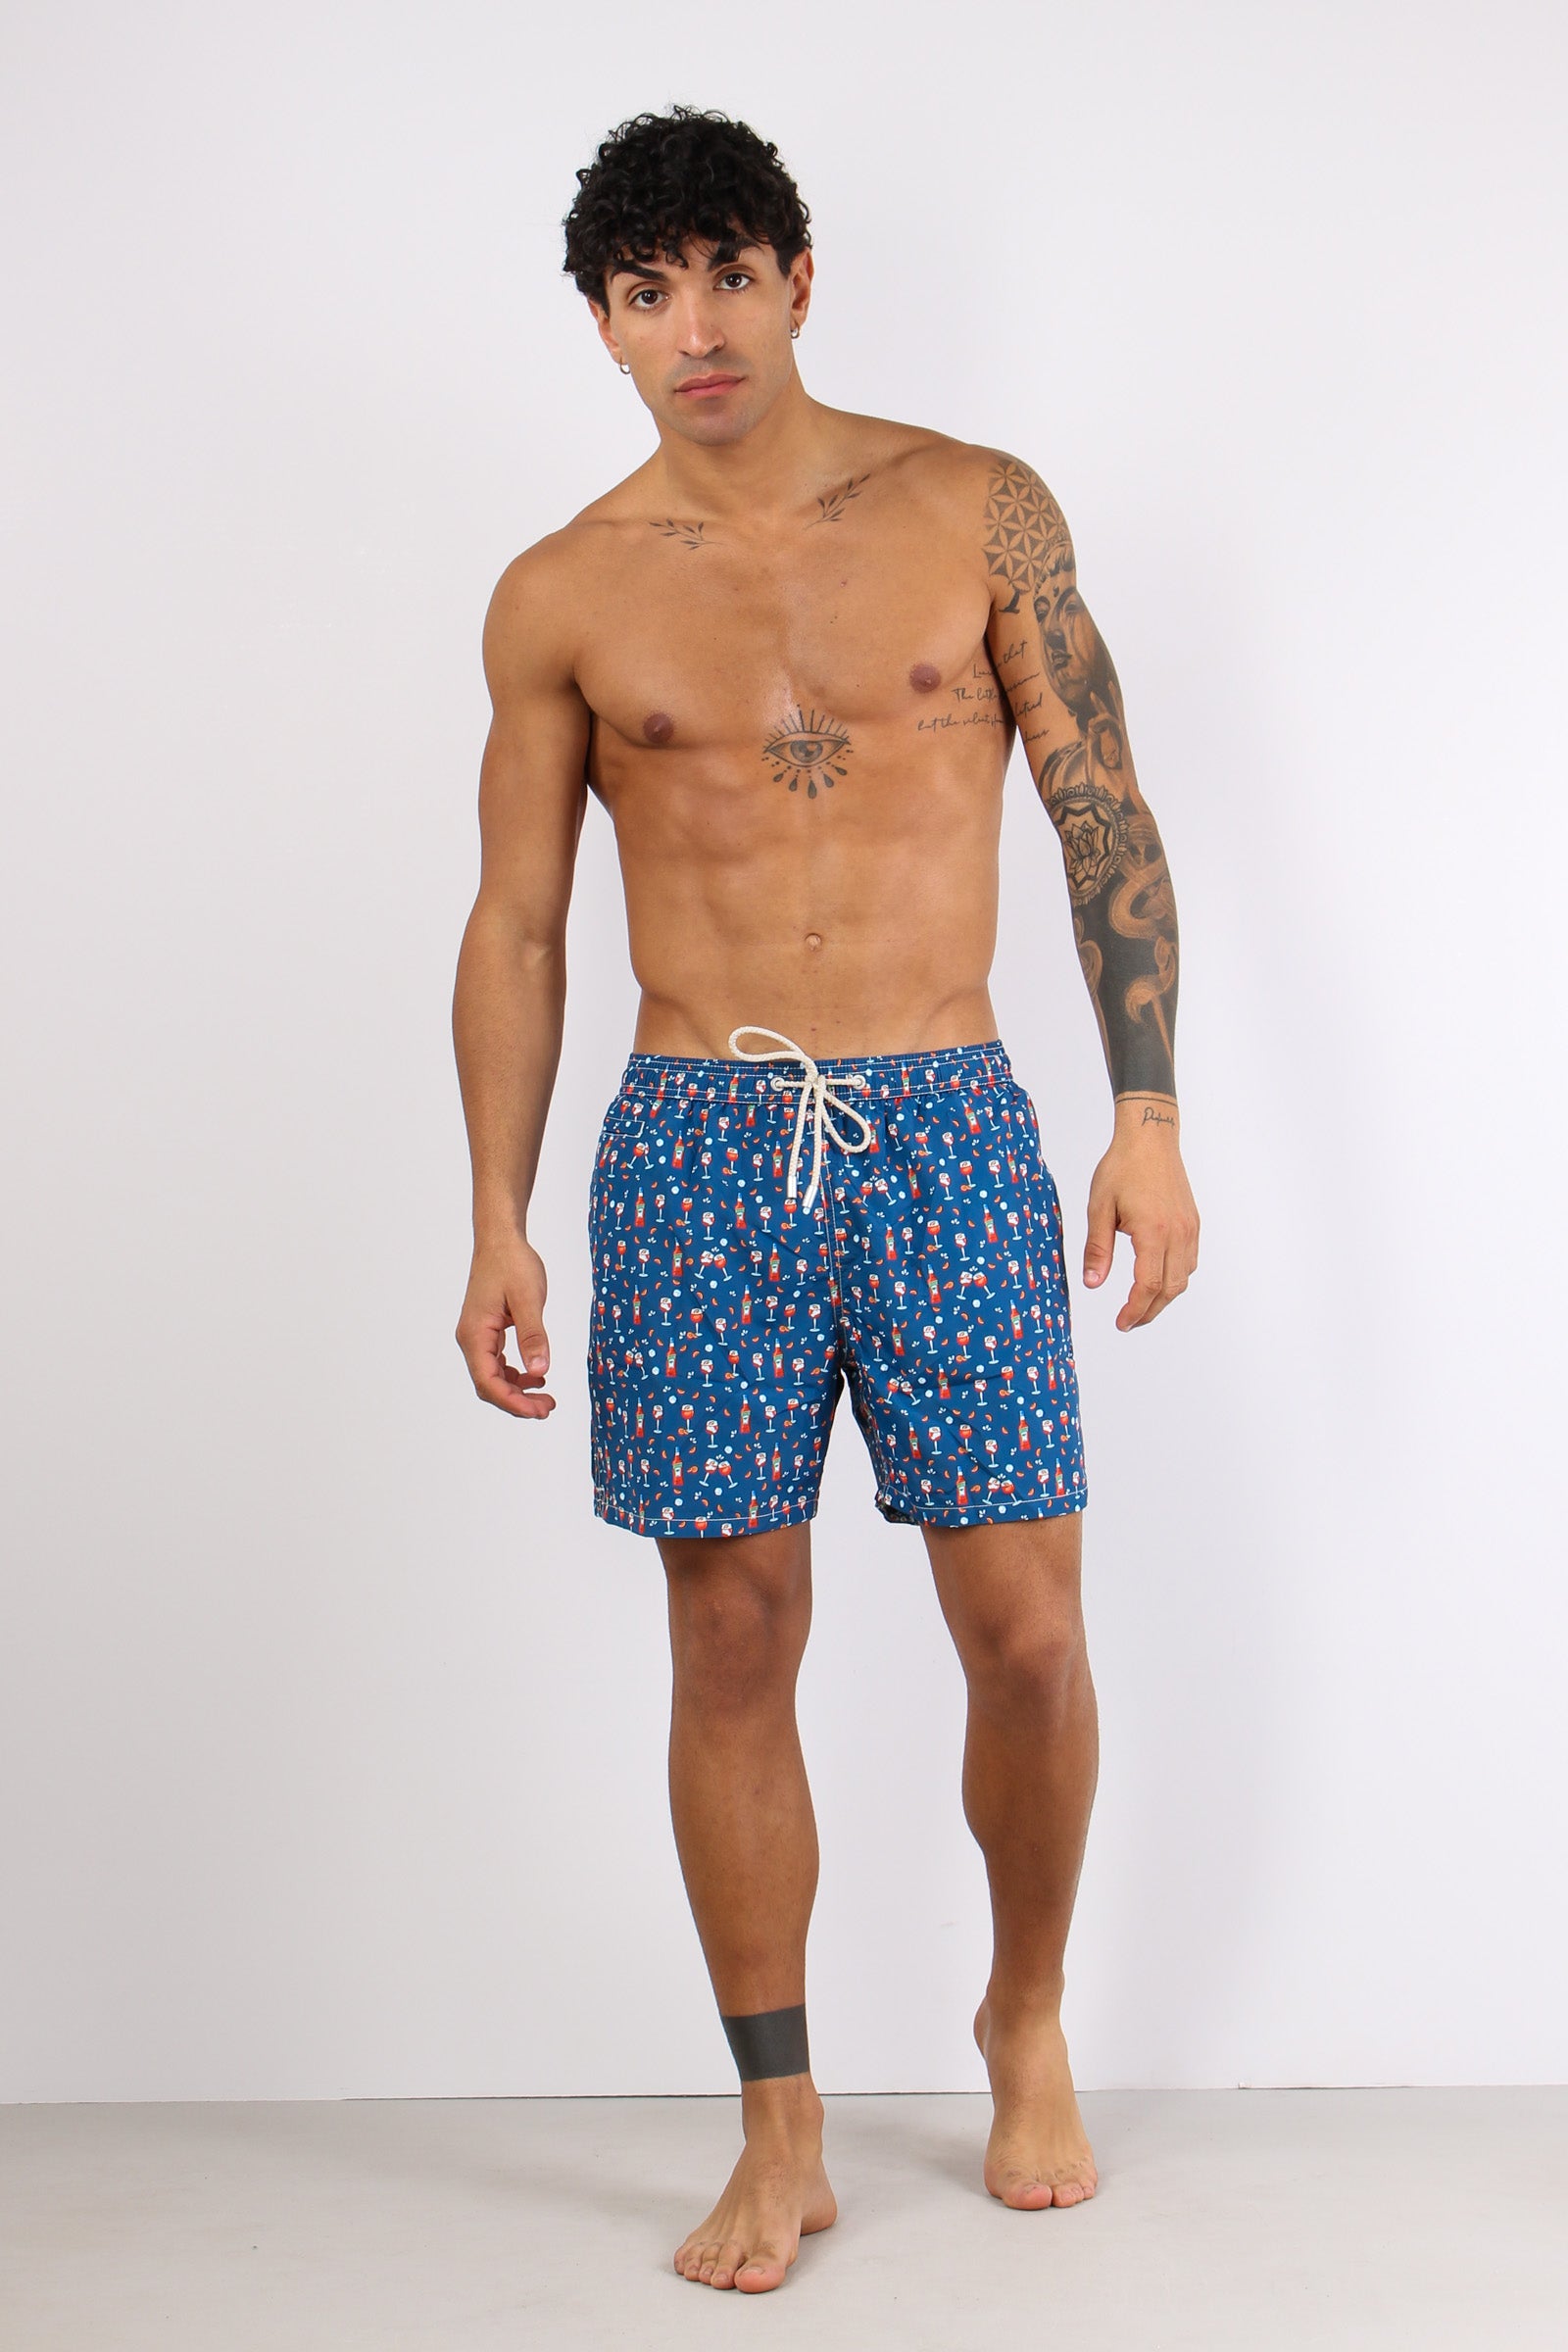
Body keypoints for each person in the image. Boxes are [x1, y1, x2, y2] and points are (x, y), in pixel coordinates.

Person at [452, 105, 1200, 2295]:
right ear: (604, 329)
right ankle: (776, 2120)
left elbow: (1103, 814)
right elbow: (517, 925)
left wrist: (1146, 1111)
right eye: (645, 291)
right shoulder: (561, 592)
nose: (694, 324)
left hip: (948, 1124)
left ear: (796, 279)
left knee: (1027, 1628)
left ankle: (1023, 2011)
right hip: (698, 1141)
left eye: (725, 273)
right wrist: (494, 1213)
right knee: (728, 1634)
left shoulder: (974, 508)